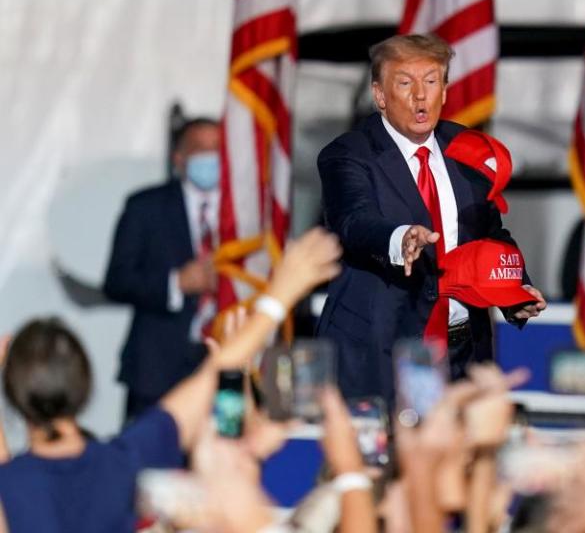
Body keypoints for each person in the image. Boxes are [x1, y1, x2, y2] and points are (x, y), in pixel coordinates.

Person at [0, 228, 342, 533]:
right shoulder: (125, 461)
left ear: (15, 396)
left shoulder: (10, 485)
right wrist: (280, 294)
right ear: (85, 386)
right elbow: (215, 377)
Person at [316, 33, 546, 402]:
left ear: (445, 89)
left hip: (462, 353)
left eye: (431, 81)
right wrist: (400, 238)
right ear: (379, 95)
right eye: (405, 83)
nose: (420, 95)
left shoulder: (469, 149)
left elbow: (490, 232)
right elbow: (354, 222)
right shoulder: (347, 155)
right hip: (383, 349)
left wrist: (514, 289)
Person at [103, 117, 222, 420]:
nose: (210, 157)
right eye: (199, 149)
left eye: (217, 148)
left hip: (224, 363)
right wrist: (175, 283)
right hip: (156, 370)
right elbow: (117, 280)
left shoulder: (247, 212)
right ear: (179, 158)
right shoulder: (145, 206)